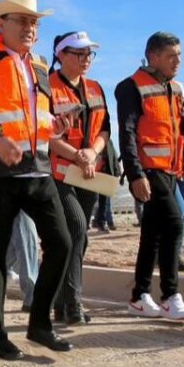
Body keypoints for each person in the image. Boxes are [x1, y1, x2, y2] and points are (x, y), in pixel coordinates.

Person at [0, 0, 74, 359]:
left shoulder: (40, 66)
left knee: (62, 242)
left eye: (33, 22)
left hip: (38, 169)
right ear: (1, 24)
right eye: (22, 20)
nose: (29, 27)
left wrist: (54, 127)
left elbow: (36, 119)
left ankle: (39, 323)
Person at [116, 31, 184, 319]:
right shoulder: (131, 87)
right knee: (175, 223)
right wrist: (135, 174)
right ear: (153, 56)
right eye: (171, 56)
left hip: (172, 170)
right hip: (149, 170)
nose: (178, 61)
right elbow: (126, 133)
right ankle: (171, 295)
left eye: (179, 55)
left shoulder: (175, 89)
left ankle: (139, 296)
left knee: (152, 233)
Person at [47, 30, 110, 325]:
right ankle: (73, 303)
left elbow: (104, 129)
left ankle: (60, 301)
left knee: (78, 238)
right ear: (61, 55)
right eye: (79, 54)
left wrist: (93, 154)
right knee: (76, 226)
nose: (86, 60)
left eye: (89, 54)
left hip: (89, 172)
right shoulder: (46, 87)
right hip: (59, 173)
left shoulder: (96, 88)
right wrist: (76, 154)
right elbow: (44, 135)